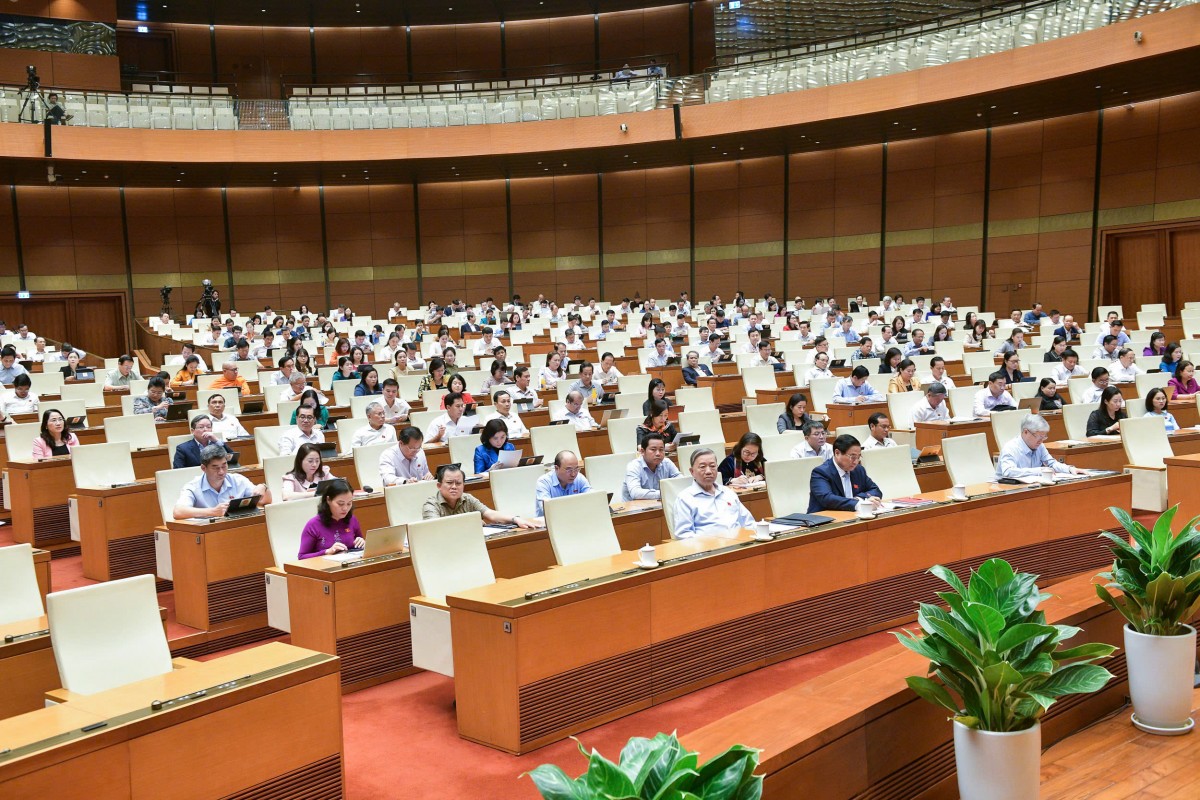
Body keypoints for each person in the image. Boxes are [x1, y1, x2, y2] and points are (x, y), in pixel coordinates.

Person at [672, 448, 755, 539]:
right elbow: (683, 535)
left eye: (712, 466)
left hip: (739, 545)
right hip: (709, 549)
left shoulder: (728, 493)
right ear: (692, 472)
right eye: (702, 467)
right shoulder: (685, 499)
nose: (708, 471)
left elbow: (749, 523)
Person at [173, 444, 271, 520]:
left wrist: (263, 487)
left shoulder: (238, 480)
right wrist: (213, 512)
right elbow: (178, 512)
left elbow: (265, 501)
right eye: (215, 468)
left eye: (224, 466)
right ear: (203, 468)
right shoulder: (193, 487)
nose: (221, 472)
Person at [422, 464, 536, 526]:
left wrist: (515, 519)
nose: (454, 487)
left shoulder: (468, 499)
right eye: (449, 483)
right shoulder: (431, 505)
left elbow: (490, 514)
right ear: (439, 485)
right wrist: (473, 523)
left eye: (458, 483)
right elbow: (436, 529)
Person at [807, 434, 883, 513]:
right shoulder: (821, 472)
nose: (856, 461)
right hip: (823, 520)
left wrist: (858, 499)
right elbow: (827, 498)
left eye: (858, 457)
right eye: (852, 457)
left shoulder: (858, 470)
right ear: (837, 453)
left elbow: (876, 490)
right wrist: (857, 504)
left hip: (851, 516)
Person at [996, 415, 1079, 480]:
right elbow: (1008, 471)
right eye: (1039, 437)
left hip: (1030, 487)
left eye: (1044, 437)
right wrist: (1038, 471)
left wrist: (1069, 469)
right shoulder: (1010, 448)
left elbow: (1051, 464)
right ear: (1025, 432)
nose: (1041, 441)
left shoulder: (1040, 446)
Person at [297, 480, 364, 558]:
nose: (345, 508)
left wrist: (362, 543)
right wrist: (326, 552)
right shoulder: (313, 525)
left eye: (349, 503)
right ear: (328, 500)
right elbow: (302, 557)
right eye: (340, 504)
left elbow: (358, 546)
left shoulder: (352, 520)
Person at [621, 432, 681, 502]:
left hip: (659, 505)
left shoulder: (667, 463)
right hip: (634, 509)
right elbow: (635, 493)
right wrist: (665, 493)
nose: (658, 453)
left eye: (661, 449)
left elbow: (681, 482)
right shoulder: (634, 466)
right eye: (653, 449)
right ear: (642, 451)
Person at [533, 451, 591, 516]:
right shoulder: (544, 482)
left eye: (576, 469)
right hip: (548, 523)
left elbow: (592, 498)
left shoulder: (579, 478)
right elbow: (546, 509)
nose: (573, 474)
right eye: (569, 470)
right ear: (556, 468)